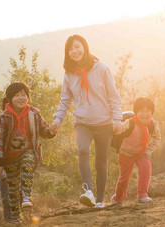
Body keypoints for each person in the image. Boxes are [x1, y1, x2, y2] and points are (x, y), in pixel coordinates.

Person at [50, 34, 122, 208]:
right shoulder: (69, 75)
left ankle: (99, 200)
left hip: (104, 123)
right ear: (67, 53)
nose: (74, 51)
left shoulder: (101, 68)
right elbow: (65, 101)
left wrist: (117, 119)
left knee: (101, 163)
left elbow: (114, 97)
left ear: (85, 47)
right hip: (82, 122)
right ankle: (88, 191)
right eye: (70, 49)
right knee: (83, 150)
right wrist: (57, 120)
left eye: (77, 46)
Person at [0, 81, 56, 223]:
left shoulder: (34, 113)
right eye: (17, 95)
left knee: (28, 160)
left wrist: (51, 131)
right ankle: (16, 218)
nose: (21, 98)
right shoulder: (5, 117)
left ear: (28, 96)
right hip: (9, 158)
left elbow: (44, 129)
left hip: (27, 151)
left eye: (23, 95)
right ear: (9, 99)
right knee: (13, 189)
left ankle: (26, 197)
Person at [111, 97, 161, 206]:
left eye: (148, 111)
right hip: (126, 153)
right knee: (124, 177)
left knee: (146, 169)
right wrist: (114, 126)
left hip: (142, 153)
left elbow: (157, 138)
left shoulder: (153, 124)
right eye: (141, 111)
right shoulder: (130, 123)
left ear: (152, 112)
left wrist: (148, 151)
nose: (145, 114)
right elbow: (119, 130)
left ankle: (142, 195)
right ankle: (118, 198)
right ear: (136, 112)